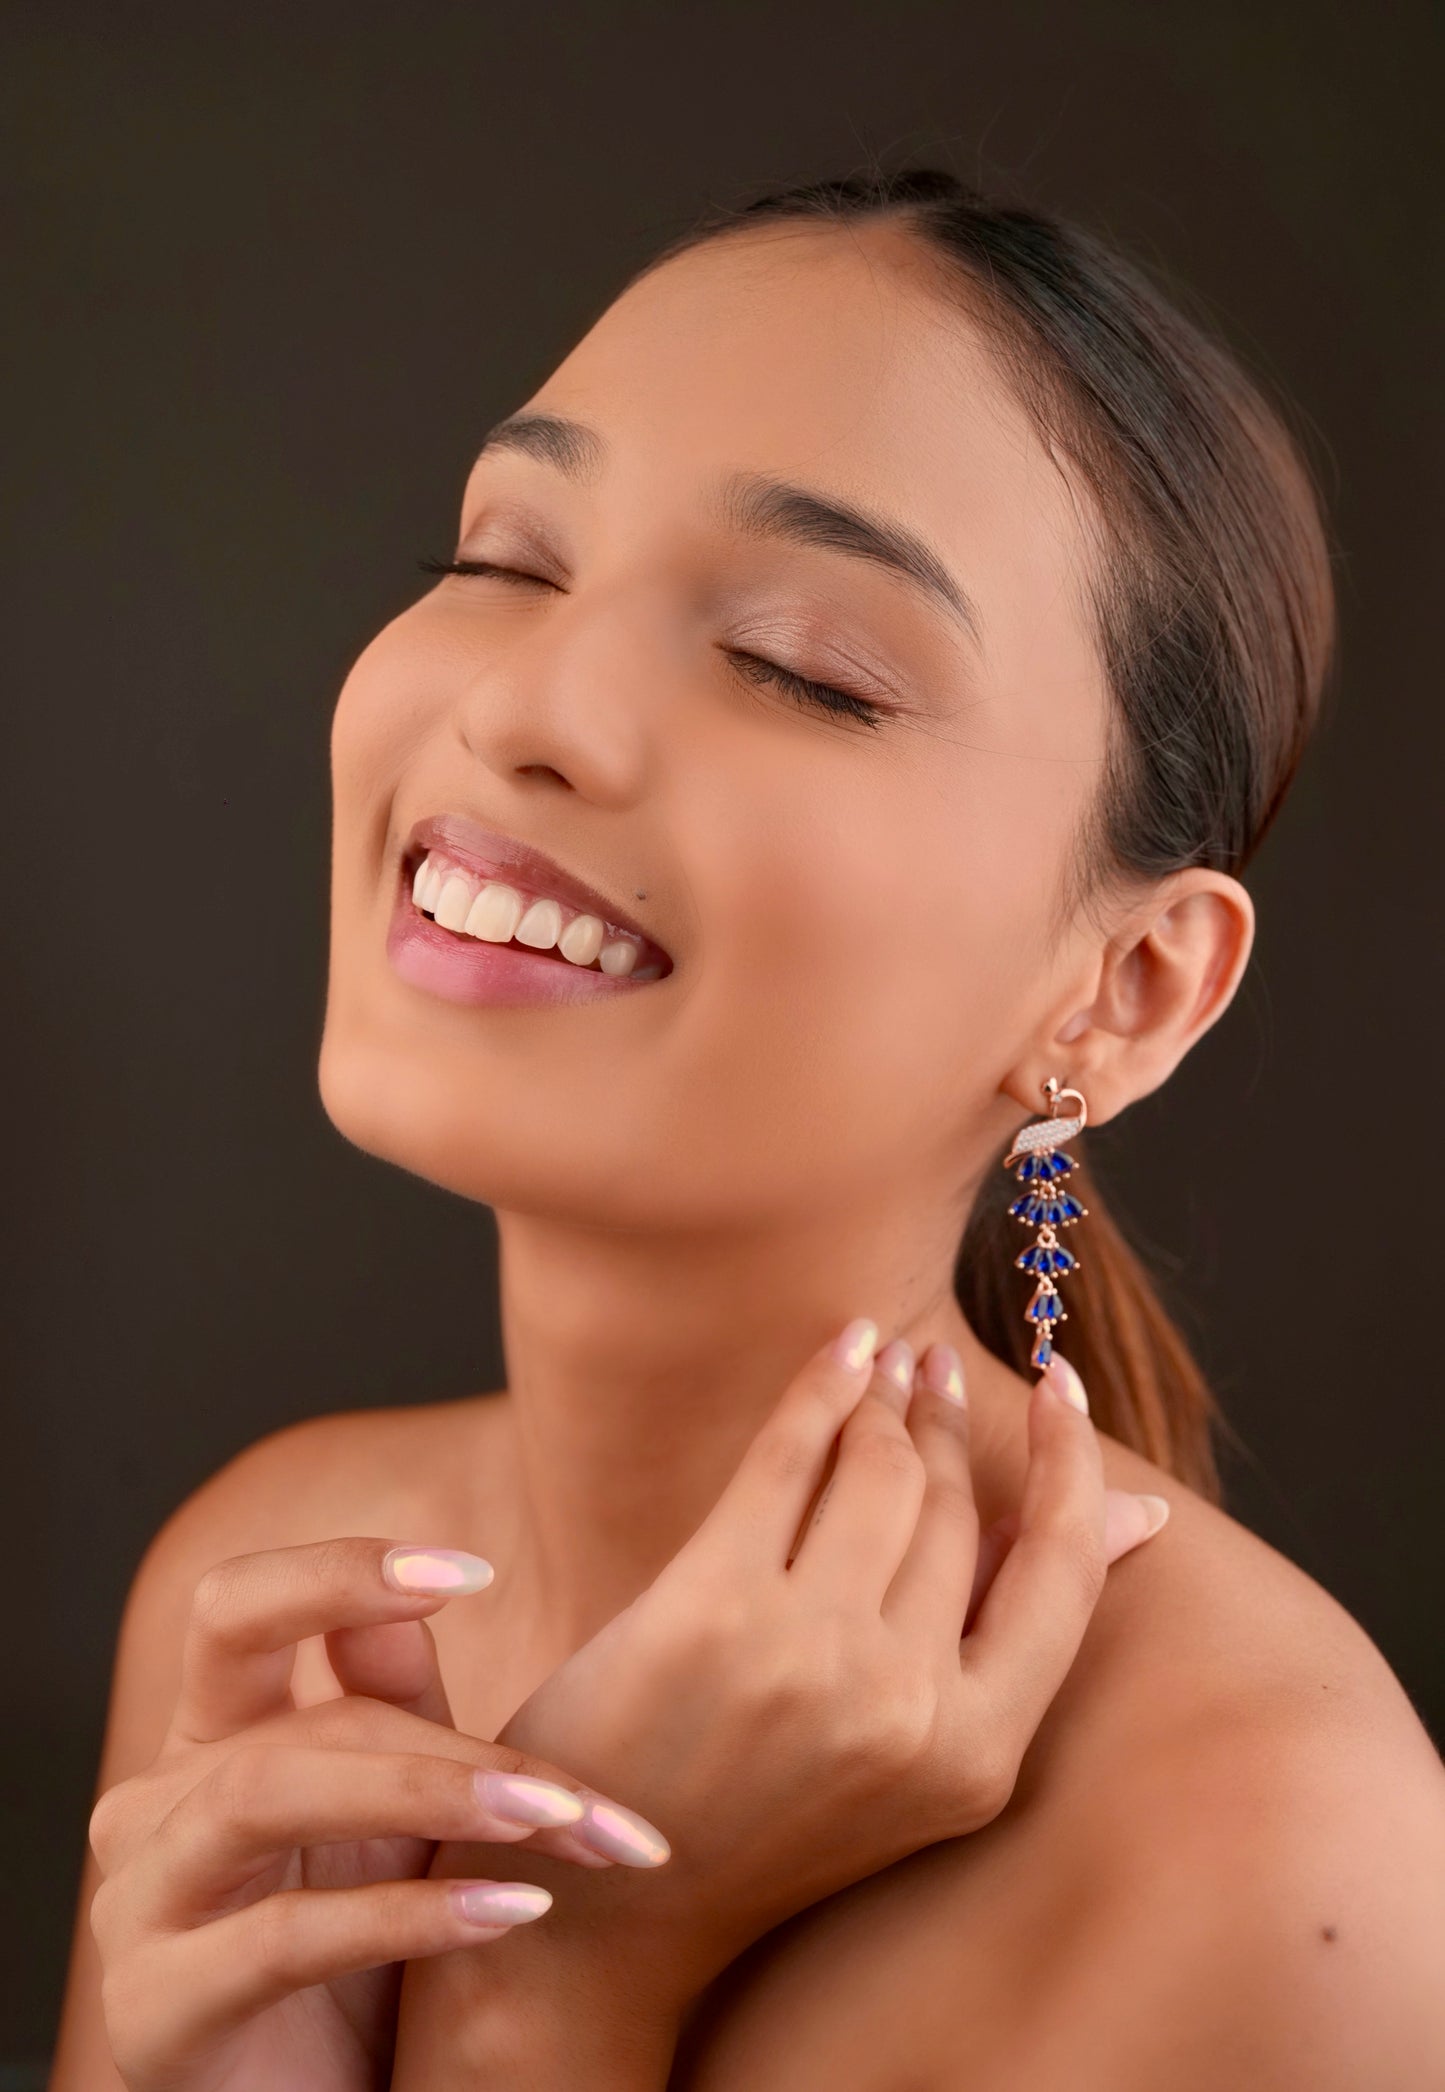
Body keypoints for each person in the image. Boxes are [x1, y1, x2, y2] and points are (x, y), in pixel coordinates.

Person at [51, 167, 1445, 2089]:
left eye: (804, 667)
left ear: (1124, 993)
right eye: (509, 559)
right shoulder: (288, 1582)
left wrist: (541, 1994)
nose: (535, 702)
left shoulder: (1275, 1848)